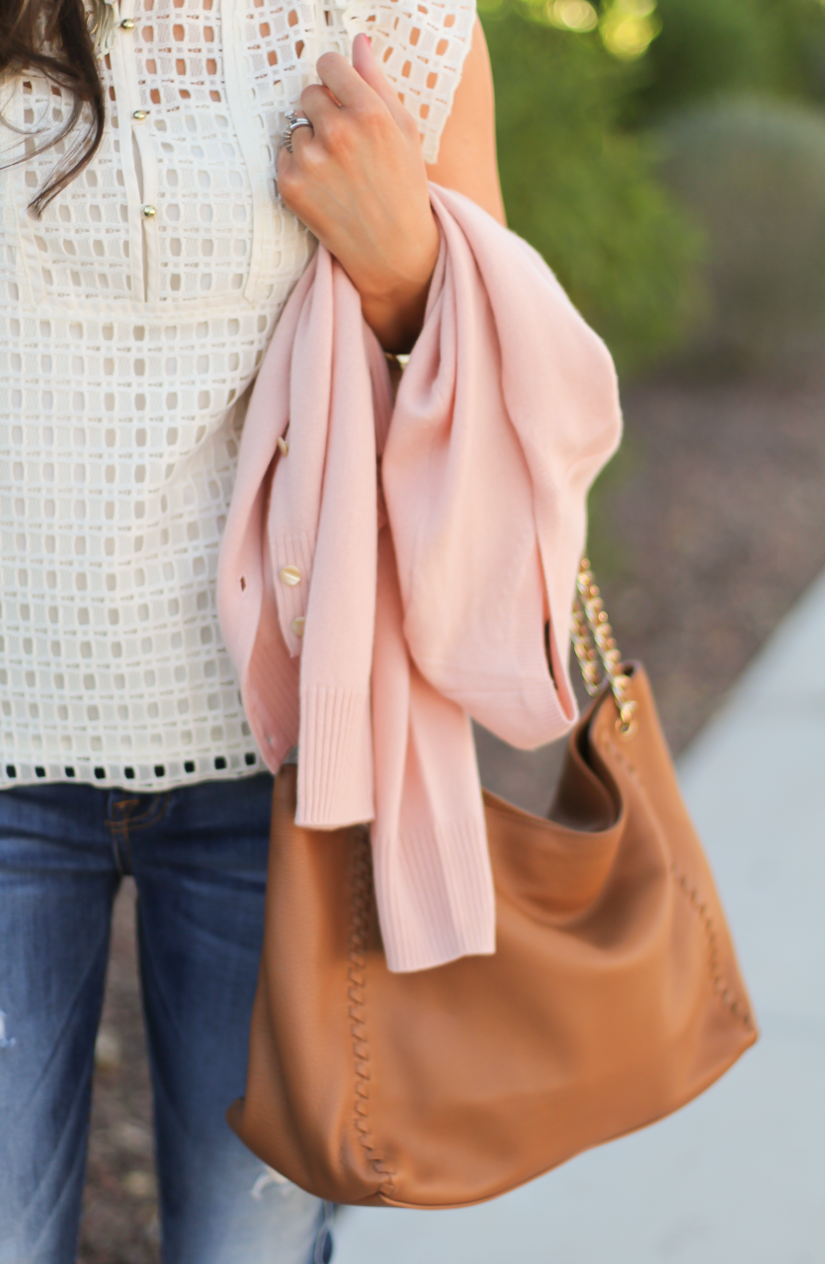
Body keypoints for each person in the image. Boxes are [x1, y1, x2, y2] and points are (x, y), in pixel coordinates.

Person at [0, 0, 507, 1257]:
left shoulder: (401, 24)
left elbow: (507, 419)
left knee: (254, 1247)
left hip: (278, 768)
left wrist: (403, 270)